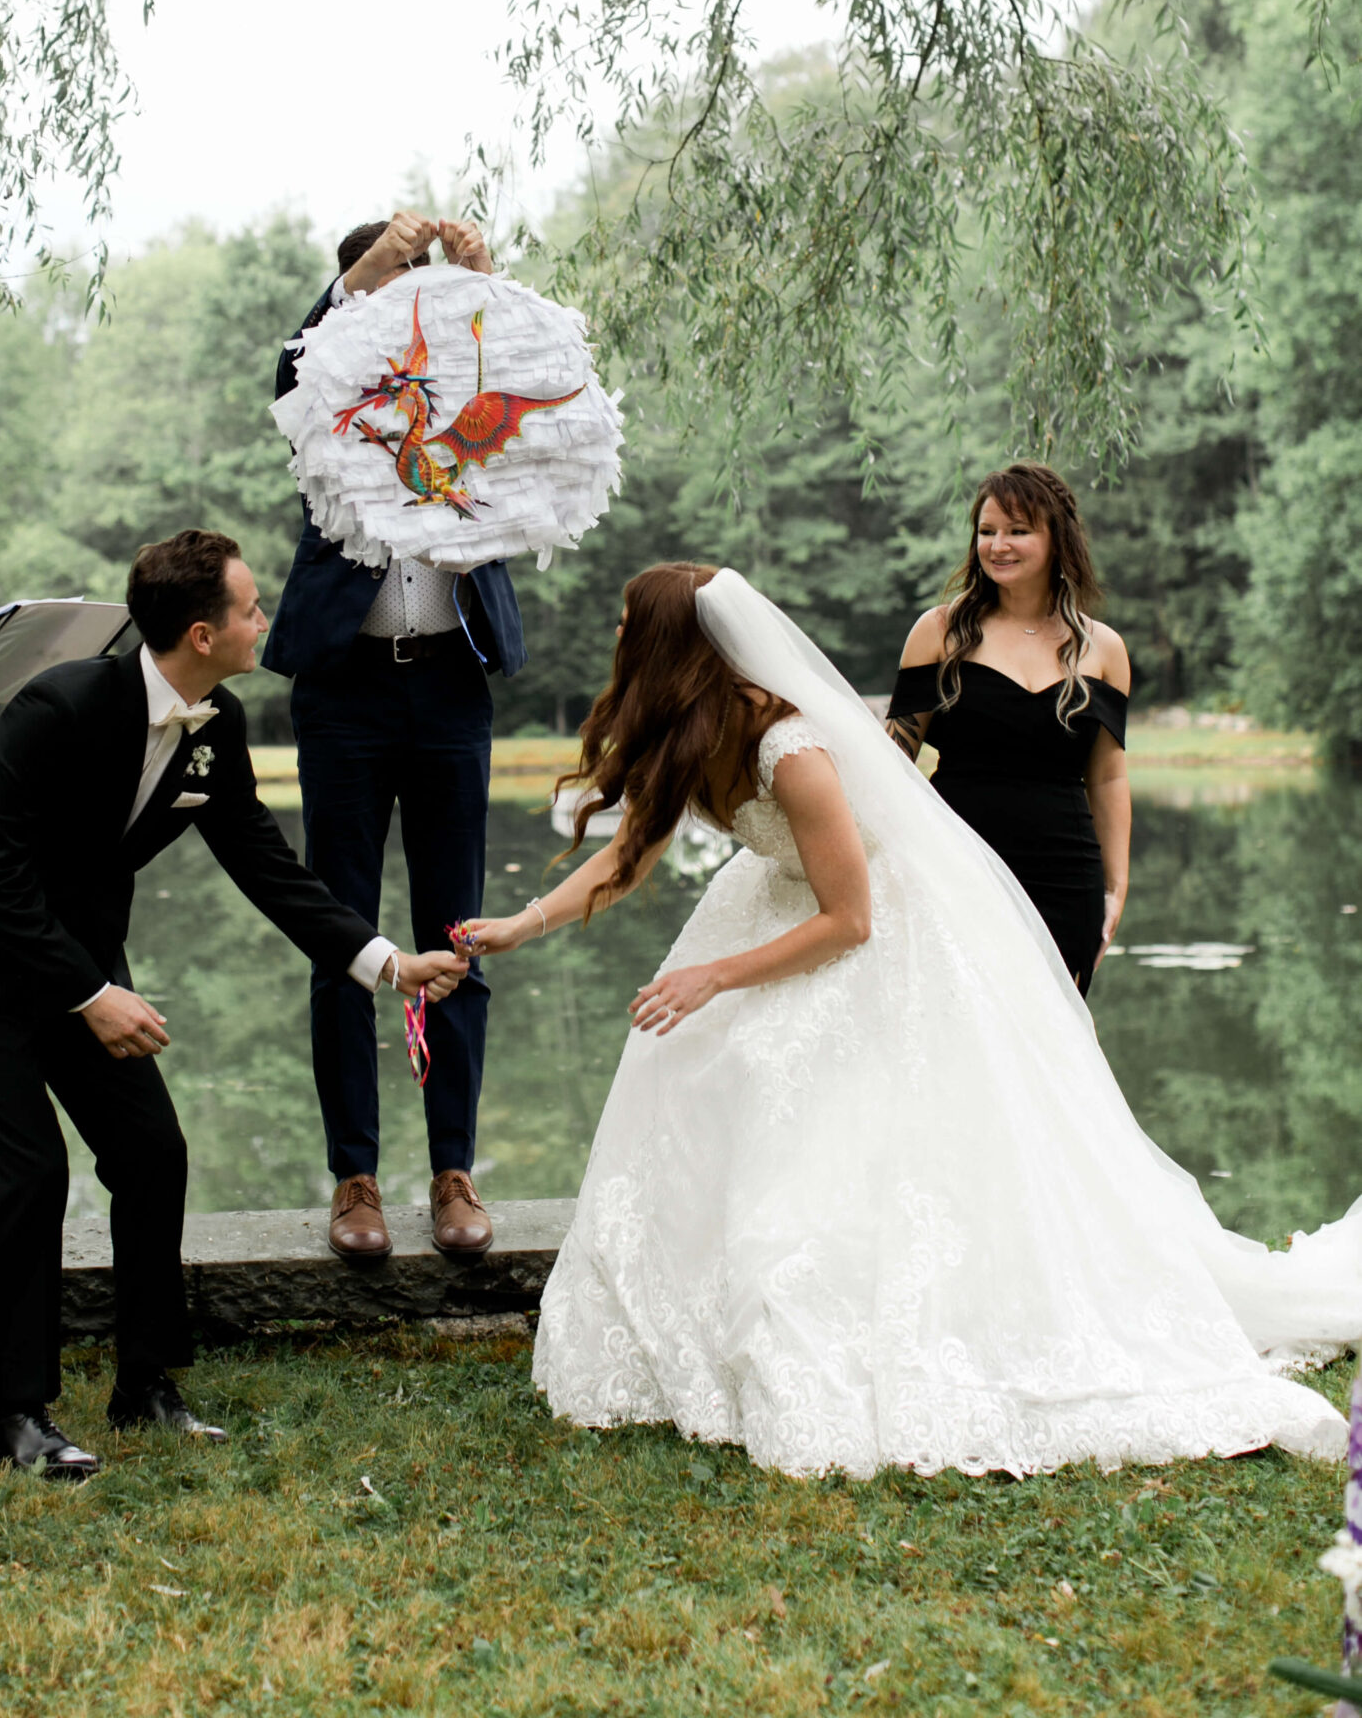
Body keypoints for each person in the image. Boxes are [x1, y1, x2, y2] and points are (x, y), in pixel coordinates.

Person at [462, 563, 1362, 1480]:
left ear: (669, 644)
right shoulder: (689, 731)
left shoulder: (789, 747)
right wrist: (520, 924)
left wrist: (715, 977)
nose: (617, 639)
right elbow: (625, 854)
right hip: (780, 909)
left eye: (626, 623)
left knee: (814, 1102)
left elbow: (849, 921)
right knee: (695, 1069)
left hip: (873, 936)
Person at [0, 528, 467, 1478]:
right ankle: (15, 1418)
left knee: (151, 1150)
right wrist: (91, 994)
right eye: (252, 608)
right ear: (200, 631)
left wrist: (386, 961)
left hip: (74, 956)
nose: (264, 620)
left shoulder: (214, 726)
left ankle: (144, 1386)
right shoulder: (58, 706)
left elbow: (267, 865)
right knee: (25, 1172)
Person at [263, 211, 525, 1263]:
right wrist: (369, 271)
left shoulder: (468, 376)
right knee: (343, 935)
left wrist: (484, 288)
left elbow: (533, 386)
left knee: (459, 932)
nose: (408, 300)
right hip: (346, 691)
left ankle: (453, 1168)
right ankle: (354, 1178)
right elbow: (291, 373)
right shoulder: (325, 393)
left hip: (453, 685)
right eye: (386, 286)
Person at [885, 462, 1131, 991]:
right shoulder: (940, 632)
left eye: (1018, 531)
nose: (998, 545)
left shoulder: (1102, 649)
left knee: (1049, 1049)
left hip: (1066, 880)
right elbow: (891, 765)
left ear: (1056, 539)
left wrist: (1116, 885)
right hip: (955, 867)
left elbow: (1109, 778)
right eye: (987, 531)